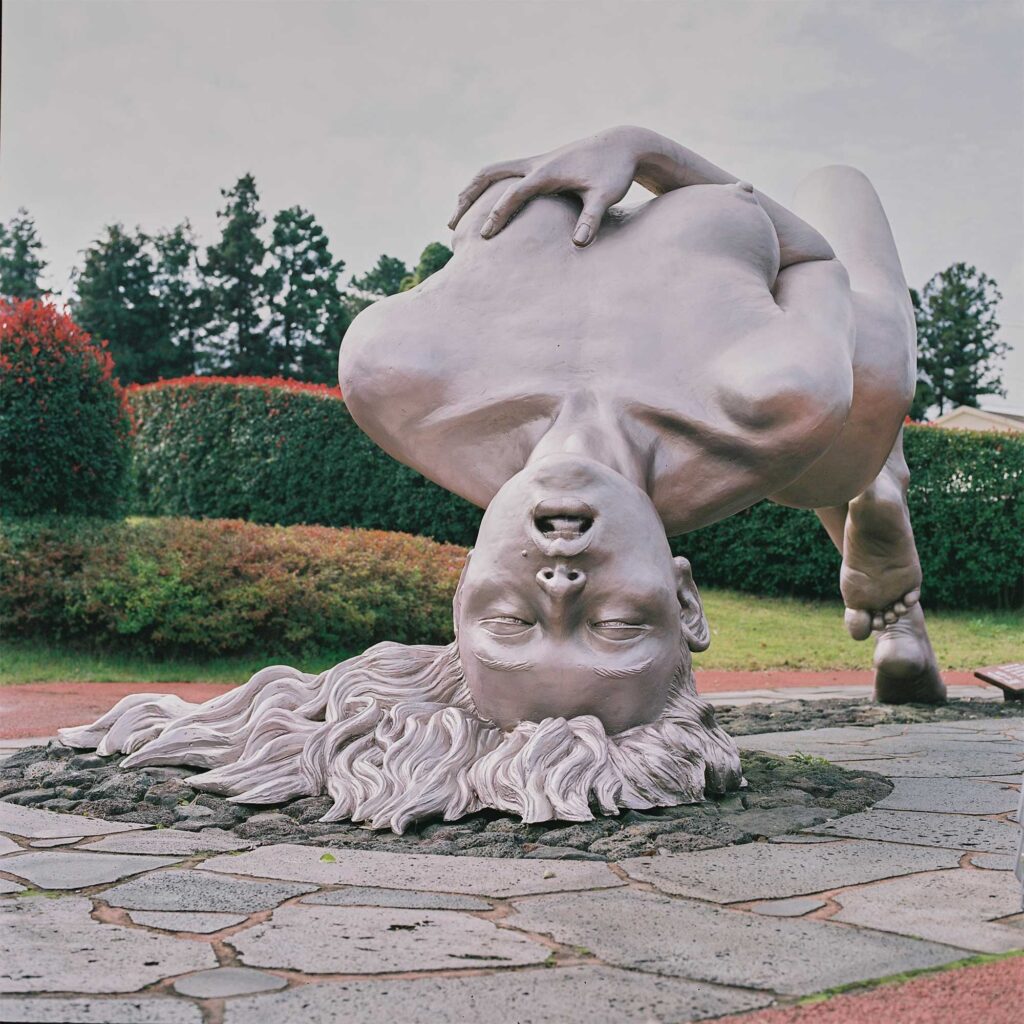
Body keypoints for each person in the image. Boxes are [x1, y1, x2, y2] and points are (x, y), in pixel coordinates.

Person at [340, 124, 944, 716]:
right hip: (842, 418)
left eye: (510, 622)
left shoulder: (390, 372)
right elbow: (812, 256)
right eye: (615, 625)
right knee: (840, 198)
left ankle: (885, 528)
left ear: (466, 587)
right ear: (682, 601)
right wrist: (647, 151)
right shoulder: (769, 399)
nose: (560, 584)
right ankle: (876, 484)